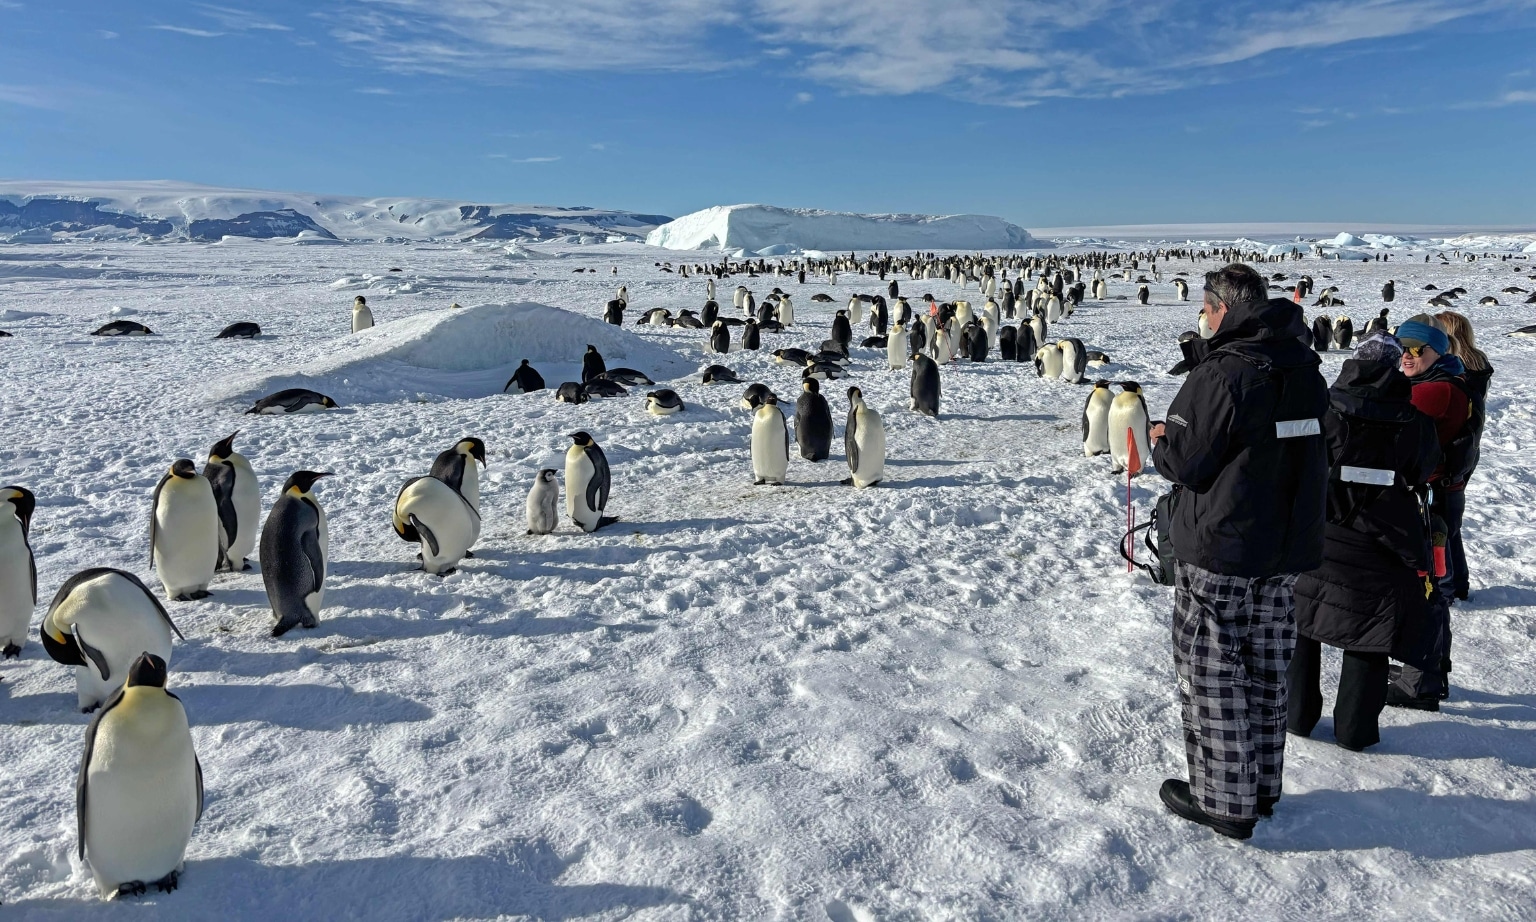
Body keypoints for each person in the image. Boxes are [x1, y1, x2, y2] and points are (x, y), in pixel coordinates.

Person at [1148, 263, 1328, 839]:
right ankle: (1262, 786)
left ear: (1222, 309)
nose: (1200, 316)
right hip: (1283, 549)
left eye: (1204, 307)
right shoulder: (1304, 366)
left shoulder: (1223, 373)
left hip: (1224, 545)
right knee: (1267, 667)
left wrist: (1161, 441)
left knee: (1213, 672)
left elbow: (1187, 463)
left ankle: (1226, 801)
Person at [1288, 333, 1441, 751]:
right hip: (1385, 544)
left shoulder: (1324, 410)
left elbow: (1297, 460)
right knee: (1371, 634)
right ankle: (1354, 729)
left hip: (1318, 536)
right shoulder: (1415, 422)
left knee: (1305, 624)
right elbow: (1424, 468)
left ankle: (1296, 715)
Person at [1389, 315, 1477, 709]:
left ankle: (1419, 681)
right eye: (1400, 348)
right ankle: (1429, 666)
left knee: (1425, 588)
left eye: (1414, 349)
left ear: (1436, 351)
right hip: (1440, 495)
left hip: (1430, 501)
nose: (1405, 356)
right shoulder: (1443, 380)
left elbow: (1393, 431)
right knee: (1432, 585)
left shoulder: (1434, 390)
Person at [1433, 310, 1493, 602]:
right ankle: (1459, 583)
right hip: (1469, 449)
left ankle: (1449, 586)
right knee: (1451, 523)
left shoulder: (1456, 370)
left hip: (1452, 451)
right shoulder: (1478, 361)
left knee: (1443, 525)